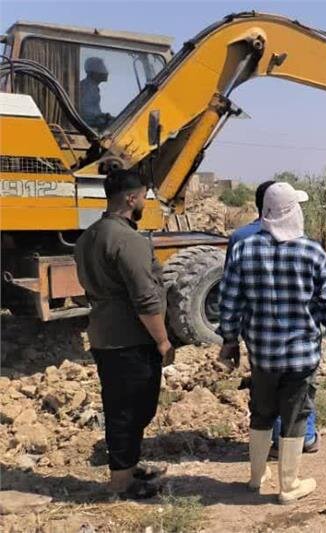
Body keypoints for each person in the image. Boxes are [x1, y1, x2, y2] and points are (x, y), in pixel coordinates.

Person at [217, 182, 326, 504]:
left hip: (261, 354)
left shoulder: (244, 250)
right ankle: (288, 487)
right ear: (292, 211)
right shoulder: (313, 252)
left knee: (260, 412)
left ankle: (256, 477)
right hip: (301, 356)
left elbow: (229, 302)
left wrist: (229, 341)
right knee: (294, 416)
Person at [75, 169, 175, 499]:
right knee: (130, 409)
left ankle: (128, 467)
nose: (145, 202)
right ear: (131, 198)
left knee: (126, 405)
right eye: (144, 196)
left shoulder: (90, 235)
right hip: (128, 339)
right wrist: (162, 340)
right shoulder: (127, 239)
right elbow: (145, 298)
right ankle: (121, 483)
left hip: (105, 334)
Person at [224, 180, 320, 459]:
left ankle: (263, 461)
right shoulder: (306, 247)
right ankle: (302, 443)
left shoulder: (240, 241)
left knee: (265, 397)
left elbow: (231, 294)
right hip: (300, 342)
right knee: (299, 395)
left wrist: (230, 338)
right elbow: (322, 296)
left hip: (259, 338)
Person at [79, 56, 113, 129]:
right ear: (94, 72)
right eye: (102, 68)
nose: (106, 71)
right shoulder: (87, 88)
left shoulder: (92, 87)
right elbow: (86, 115)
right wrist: (105, 120)